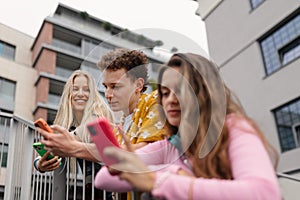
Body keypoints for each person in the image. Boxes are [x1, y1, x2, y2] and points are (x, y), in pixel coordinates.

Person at [94, 53, 281, 200]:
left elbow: (264, 193)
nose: (170, 100)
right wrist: (172, 172)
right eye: (165, 93)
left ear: (205, 91)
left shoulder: (234, 129)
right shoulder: (170, 145)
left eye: (181, 90)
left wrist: (158, 181)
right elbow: (104, 177)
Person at [35, 70, 114, 199]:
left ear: (92, 93)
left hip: (116, 189)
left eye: (86, 90)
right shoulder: (69, 125)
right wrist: (39, 165)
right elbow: (52, 149)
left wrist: (59, 142)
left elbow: (87, 131)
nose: (81, 94)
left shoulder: (99, 113)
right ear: (69, 94)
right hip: (94, 191)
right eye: (75, 89)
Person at [97, 48, 167, 150]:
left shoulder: (156, 101)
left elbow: (148, 151)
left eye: (115, 86)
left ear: (138, 85)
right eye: (105, 87)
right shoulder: (119, 129)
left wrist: (79, 148)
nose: (108, 94)